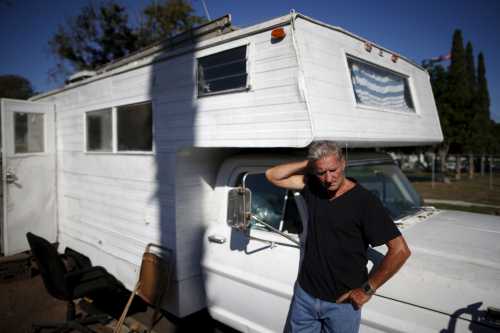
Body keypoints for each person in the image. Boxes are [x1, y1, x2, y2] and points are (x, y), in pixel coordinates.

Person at [265, 141, 411, 333]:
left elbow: (400, 251)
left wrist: (367, 289)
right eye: (321, 172)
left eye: (333, 169)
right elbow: (272, 175)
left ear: (343, 163)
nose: (328, 178)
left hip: (342, 305)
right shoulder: (313, 187)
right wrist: (308, 164)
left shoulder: (364, 202)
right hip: (305, 296)